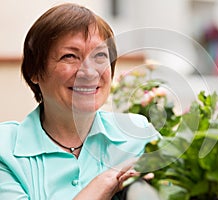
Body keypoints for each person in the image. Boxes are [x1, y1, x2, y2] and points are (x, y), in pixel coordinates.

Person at [0, 3, 160, 200]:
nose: (89, 72)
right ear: (35, 71)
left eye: (100, 56)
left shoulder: (139, 134)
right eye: (70, 56)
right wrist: (104, 184)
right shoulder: (4, 149)